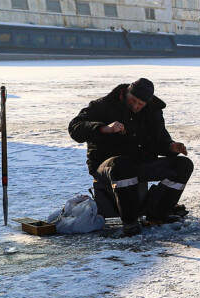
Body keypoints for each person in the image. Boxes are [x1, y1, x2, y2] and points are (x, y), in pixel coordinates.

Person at [68, 78, 193, 237]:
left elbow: (160, 140)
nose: (135, 106)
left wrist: (171, 147)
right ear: (126, 93)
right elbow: (75, 128)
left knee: (183, 165)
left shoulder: (153, 111)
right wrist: (105, 128)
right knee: (122, 165)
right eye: (133, 100)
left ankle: (158, 213)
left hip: (140, 162)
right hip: (106, 164)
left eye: (140, 104)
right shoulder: (103, 105)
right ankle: (130, 222)